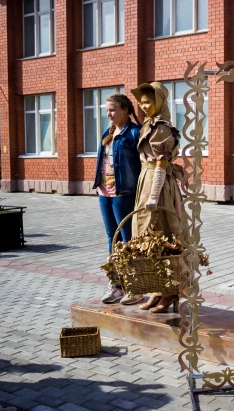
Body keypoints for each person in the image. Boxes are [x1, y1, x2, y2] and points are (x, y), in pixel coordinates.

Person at [130, 82, 187, 313]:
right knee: (148, 237)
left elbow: (161, 165)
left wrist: (153, 196)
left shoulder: (162, 128)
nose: (144, 106)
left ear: (160, 101)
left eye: (149, 101)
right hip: (147, 181)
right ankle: (156, 289)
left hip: (159, 186)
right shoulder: (148, 125)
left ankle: (170, 293)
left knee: (163, 235)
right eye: (141, 101)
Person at [94, 93, 143, 305]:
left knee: (128, 241)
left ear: (125, 109)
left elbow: (144, 166)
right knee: (112, 240)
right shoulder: (108, 133)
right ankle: (116, 286)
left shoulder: (134, 133)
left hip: (124, 194)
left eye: (112, 110)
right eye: (107, 111)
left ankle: (135, 288)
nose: (109, 114)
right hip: (105, 193)